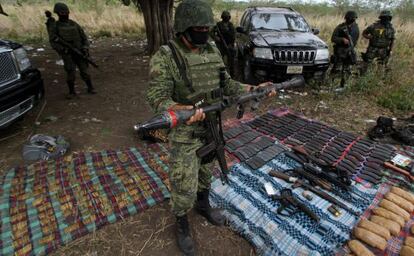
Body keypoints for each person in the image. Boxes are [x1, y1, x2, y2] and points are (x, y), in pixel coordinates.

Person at [146, 0, 275, 254]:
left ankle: (203, 205)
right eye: (199, 28)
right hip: (185, 131)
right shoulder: (166, 56)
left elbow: (227, 84)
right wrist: (181, 110)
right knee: (184, 182)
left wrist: (252, 89)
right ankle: (182, 222)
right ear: (183, 27)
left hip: (212, 127)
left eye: (207, 28)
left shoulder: (212, 49)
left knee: (207, 172)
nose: (204, 32)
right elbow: (157, 98)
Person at [46, 2, 96, 99]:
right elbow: (53, 42)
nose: (65, 14)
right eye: (62, 13)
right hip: (67, 54)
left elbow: (84, 38)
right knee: (70, 72)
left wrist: (85, 48)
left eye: (66, 12)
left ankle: (90, 87)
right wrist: (63, 49)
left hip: (79, 52)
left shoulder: (74, 24)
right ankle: (72, 92)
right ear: (58, 13)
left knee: (84, 71)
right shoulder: (55, 26)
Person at [330, 10, 359, 80]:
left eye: (354, 18)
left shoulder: (356, 28)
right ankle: (333, 84)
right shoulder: (340, 27)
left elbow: (355, 40)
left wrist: (351, 48)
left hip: (349, 51)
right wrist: (342, 39)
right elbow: (333, 38)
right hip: (340, 51)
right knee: (337, 69)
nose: (353, 20)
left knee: (347, 70)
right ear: (347, 18)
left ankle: (344, 84)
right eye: (352, 18)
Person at [212, 10, 236, 76]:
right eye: (225, 16)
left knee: (231, 61)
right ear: (222, 17)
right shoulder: (218, 25)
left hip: (229, 45)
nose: (226, 18)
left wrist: (231, 44)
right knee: (219, 60)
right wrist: (215, 37)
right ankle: (220, 74)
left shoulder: (231, 25)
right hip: (220, 45)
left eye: (227, 17)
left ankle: (232, 75)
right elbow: (212, 32)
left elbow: (233, 35)